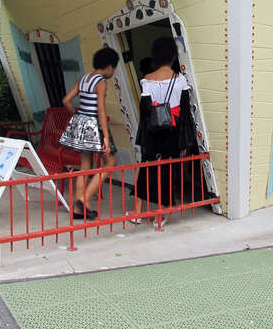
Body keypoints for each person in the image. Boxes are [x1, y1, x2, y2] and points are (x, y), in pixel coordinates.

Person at [130, 37, 198, 226]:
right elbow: (185, 114)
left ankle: (136, 213)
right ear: (173, 56)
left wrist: (144, 140)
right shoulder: (180, 80)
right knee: (168, 174)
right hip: (173, 133)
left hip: (153, 133)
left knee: (146, 171)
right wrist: (185, 142)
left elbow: (144, 113)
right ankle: (159, 217)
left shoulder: (147, 81)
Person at [59, 47, 119, 220]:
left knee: (85, 165)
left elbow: (66, 100)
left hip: (81, 124)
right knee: (110, 162)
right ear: (109, 66)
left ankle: (79, 209)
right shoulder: (101, 82)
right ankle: (83, 200)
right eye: (113, 68)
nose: (113, 71)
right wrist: (106, 137)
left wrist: (77, 115)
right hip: (95, 126)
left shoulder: (84, 78)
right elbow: (101, 110)